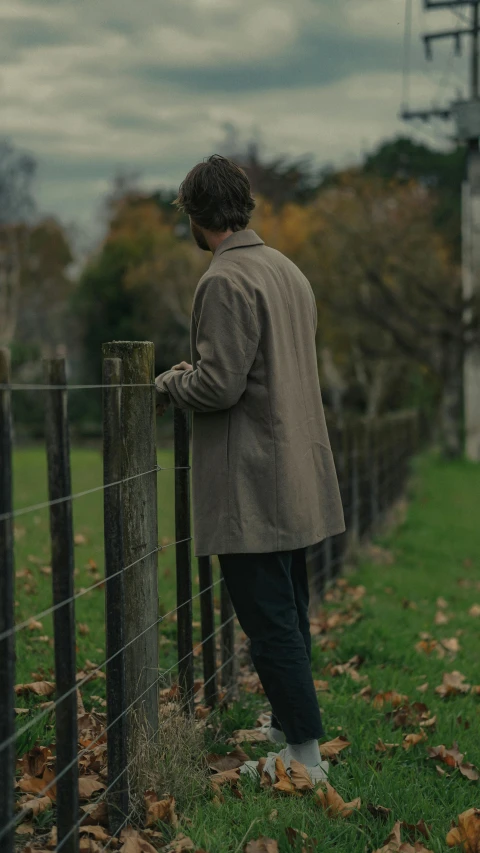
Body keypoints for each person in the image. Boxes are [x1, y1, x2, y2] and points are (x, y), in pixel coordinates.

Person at [155, 154, 345, 784]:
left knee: (269, 623)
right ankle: (291, 733)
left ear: (193, 214)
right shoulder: (288, 270)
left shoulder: (224, 278)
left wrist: (172, 381)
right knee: (287, 612)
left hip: (253, 481)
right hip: (293, 470)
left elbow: (218, 386)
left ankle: (303, 760)